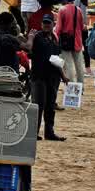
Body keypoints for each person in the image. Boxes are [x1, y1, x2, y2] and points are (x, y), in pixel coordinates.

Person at [30, 13, 65, 141]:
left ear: (53, 24)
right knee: (38, 105)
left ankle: (49, 132)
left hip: (52, 77)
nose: (46, 25)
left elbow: (57, 60)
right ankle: (34, 132)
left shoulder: (55, 39)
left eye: (48, 23)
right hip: (39, 76)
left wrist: (63, 76)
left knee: (50, 106)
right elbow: (29, 50)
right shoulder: (37, 37)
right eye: (44, 23)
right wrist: (29, 38)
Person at [56, 0, 86, 86]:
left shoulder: (62, 10)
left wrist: (55, 38)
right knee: (79, 66)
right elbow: (82, 27)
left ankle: (71, 87)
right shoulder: (79, 10)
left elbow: (59, 28)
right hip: (77, 41)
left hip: (66, 41)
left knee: (68, 65)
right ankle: (81, 86)